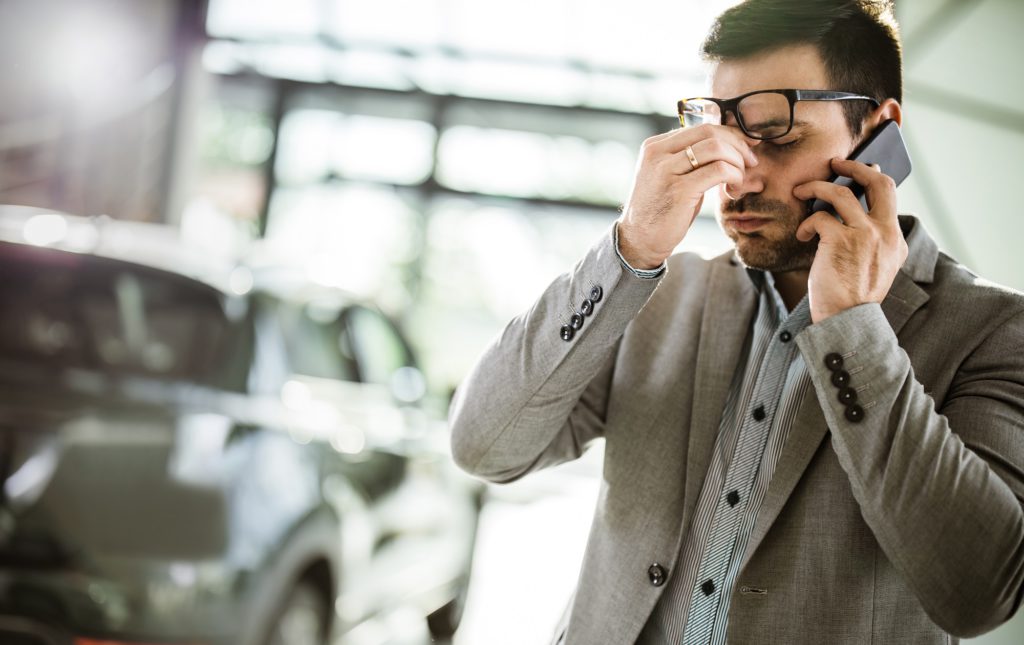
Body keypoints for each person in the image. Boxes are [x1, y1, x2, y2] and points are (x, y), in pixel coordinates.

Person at [448, 0, 1024, 643]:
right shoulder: (654, 295)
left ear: (879, 129)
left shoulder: (995, 331)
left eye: (777, 134)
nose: (735, 175)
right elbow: (484, 446)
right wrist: (631, 246)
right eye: (720, 131)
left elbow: (980, 592)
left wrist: (853, 326)